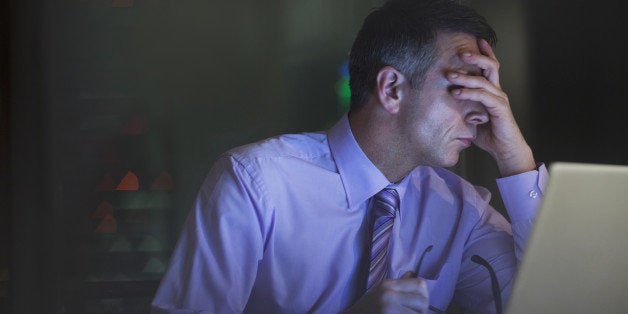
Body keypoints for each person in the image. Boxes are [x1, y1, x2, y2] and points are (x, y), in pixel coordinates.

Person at [152, 0, 548, 313]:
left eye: (487, 92)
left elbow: (550, 303)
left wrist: (517, 160)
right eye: (463, 89)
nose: (483, 112)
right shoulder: (256, 182)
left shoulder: (459, 209)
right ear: (392, 88)